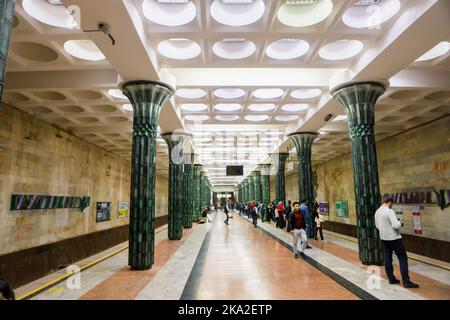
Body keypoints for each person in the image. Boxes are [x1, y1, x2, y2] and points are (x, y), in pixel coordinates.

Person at [375, 197, 419, 288]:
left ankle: (391, 279)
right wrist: (400, 222)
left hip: (384, 238)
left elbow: (377, 226)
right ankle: (406, 282)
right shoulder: (389, 211)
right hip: (394, 239)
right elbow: (395, 225)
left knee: (387, 259)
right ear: (390, 202)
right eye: (392, 204)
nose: (392, 205)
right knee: (403, 258)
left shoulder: (378, 211)